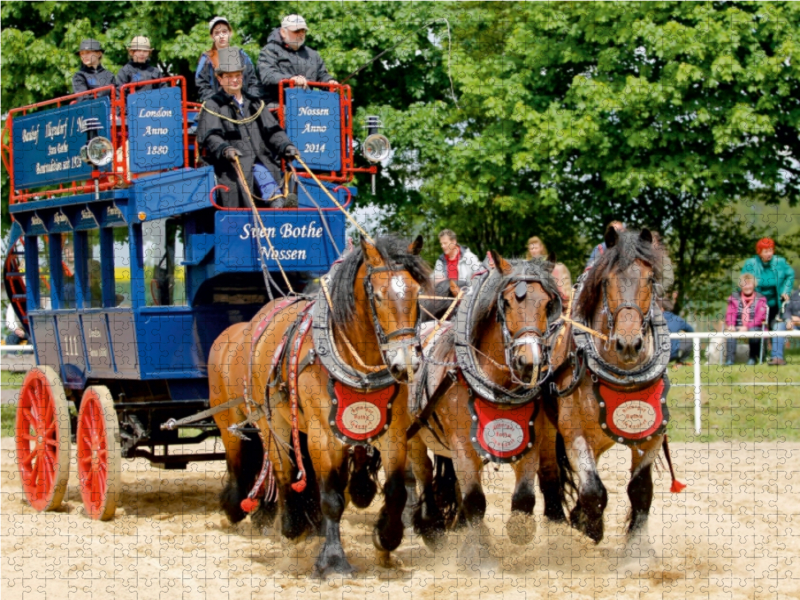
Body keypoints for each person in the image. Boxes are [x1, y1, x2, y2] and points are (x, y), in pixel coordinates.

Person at [196, 47, 300, 209]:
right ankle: (277, 202)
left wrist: (286, 145)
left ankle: (282, 202)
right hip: (231, 164)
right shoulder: (212, 105)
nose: (235, 80)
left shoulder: (255, 103)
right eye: (229, 77)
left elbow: (273, 131)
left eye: (238, 75)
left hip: (261, 158)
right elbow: (210, 136)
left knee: (283, 173)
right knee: (259, 171)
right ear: (220, 79)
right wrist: (224, 149)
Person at [257, 14, 337, 106]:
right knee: (291, 114)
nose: (301, 34)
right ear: (283, 32)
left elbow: (322, 75)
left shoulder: (312, 54)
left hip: (306, 104)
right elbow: (268, 75)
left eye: (303, 30)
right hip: (277, 104)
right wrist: (291, 79)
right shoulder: (269, 50)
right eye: (296, 31)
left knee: (332, 111)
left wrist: (330, 81)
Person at [741, 238, 794, 366]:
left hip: (776, 303)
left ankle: (776, 357)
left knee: (776, 326)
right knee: (754, 328)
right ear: (759, 252)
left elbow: (790, 274)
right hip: (757, 303)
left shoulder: (780, 262)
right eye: (765, 251)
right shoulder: (751, 263)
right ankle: (754, 357)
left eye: (770, 250)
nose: (769, 253)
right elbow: (743, 282)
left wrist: (786, 290)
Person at [195, 16, 262, 102]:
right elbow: (202, 87)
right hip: (217, 106)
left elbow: (253, 82)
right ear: (212, 36)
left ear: (230, 33)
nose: (221, 35)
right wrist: (218, 102)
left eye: (224, 31)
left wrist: (249, 101)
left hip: (244, 105)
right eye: (217, 33)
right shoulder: (206, 59)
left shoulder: (242, 55)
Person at [724, 273, 768, 366]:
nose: (747, 286)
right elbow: (730, 314)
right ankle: (730, 360)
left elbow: (760, 317)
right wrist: (731, 324)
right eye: (744, 284)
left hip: (755, 327)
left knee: (754, 331)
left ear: (754, 285)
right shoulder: (734, 297)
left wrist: (747, 327)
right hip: (737, 326)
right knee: (730, 332)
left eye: (749, 284)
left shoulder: (761, 298)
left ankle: (753, 358)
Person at [525, 236, 572, 303]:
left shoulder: (548, 261)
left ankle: (562, 297)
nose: (534, 251)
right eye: (532, 249)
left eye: (536, 248)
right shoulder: (527, 263)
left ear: (541, 248)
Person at [661, 297, 693, 366]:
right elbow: (691, 330)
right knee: (689, 340)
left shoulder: (653, 319)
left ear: (661, 308)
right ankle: (680, 362)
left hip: (657, 356)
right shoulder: (677, 319)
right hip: (673, 355)